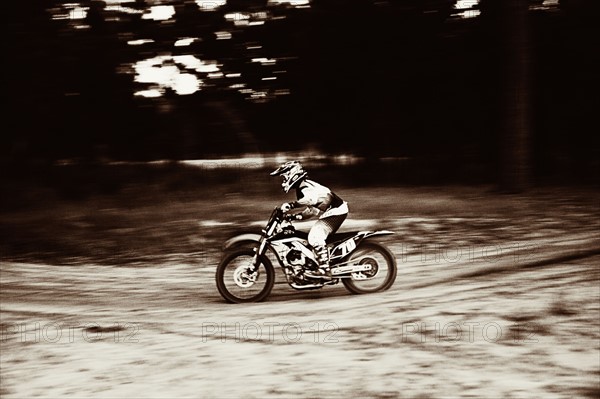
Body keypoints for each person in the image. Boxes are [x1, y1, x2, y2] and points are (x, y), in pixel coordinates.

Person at [270, 160, 349, 279]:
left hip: (336, 211)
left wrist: (292, 205)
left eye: (284, 177)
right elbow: (313, 211)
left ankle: (325, 269)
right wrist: (294, 216)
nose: (284, 181)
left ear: (292, 173)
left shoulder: (305, 186)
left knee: (315, 236)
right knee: (309, 238)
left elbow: (310, 200)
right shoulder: (303, 188)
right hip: (333, 212)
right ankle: (314, 264)